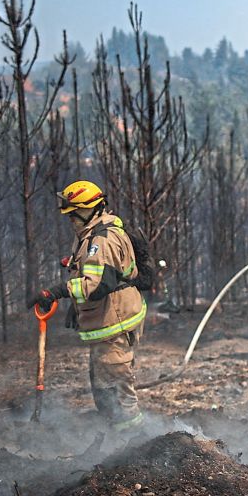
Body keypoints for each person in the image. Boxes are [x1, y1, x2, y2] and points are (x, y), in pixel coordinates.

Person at [35, 180, 146, 434]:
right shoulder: (88, 236)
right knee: (105, 388)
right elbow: (87, 275)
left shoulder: (102, 241)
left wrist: (58, 291)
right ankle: (117, 441)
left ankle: (135, 445)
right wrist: (78, 307)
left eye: (74, 214)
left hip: (115, 324)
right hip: (106, 322)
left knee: (118, 393)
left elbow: (98, 286)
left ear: (90, 210)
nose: (71, 219)